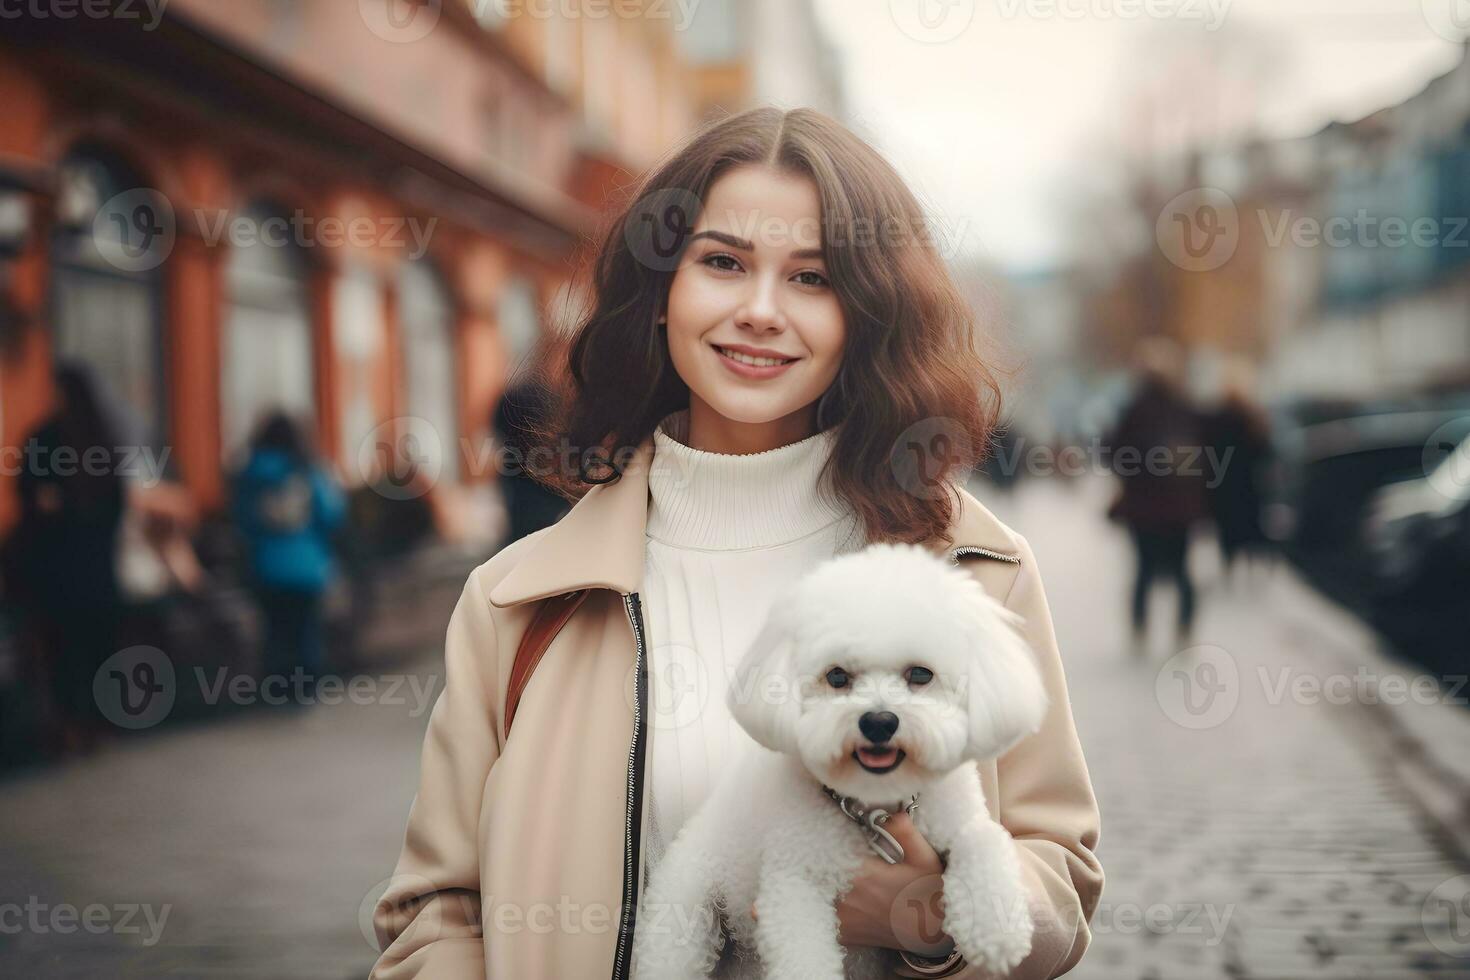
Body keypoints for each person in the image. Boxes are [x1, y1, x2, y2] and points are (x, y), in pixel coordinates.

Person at [371, 107, 1103, 980]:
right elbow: (434, 912)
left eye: (812, 278)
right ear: (660, 293)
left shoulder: (978, 572)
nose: (760, 311)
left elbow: (1061, 880)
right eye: (722, 263)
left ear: (868, 314)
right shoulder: (519, 600)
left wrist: (923, 914)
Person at [12, 363, 126, 755]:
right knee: (92, 649)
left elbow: (29, 498)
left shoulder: (48, 438)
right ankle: (93, 724)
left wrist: (54, 511)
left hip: (60, 571)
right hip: (93, 571)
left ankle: (75, 725)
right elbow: (116, 506)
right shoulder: (103, 438)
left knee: (67, 652)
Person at [231, 412, 345, 700]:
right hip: (307, 566)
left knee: (275, 630)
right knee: (306, 631)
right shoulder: (307, 470)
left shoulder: (250, 474)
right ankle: (305, 690)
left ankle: (275, 689)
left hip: (266, 566)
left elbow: (243, 520)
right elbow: (330, 513)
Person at [1107, 339, 1208, 653]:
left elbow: (1111, 452)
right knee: (1182, 571)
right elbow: (1208, 459)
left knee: (1143, 570)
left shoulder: (1134, 411)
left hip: (1143, 507)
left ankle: (1139, 632)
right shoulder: (1187, 409)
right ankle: (1184, 630)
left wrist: (1134, 473)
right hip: (1180, 507)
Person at [1204, 370, 1273, 577]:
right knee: (1250, 529)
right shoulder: (1253, 418)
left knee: (1227, 532)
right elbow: (1265, 452)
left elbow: (1208, 453)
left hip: (1224, 484)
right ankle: (1250, 568)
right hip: (1248, 483)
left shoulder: (1216, 419)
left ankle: (1229, 567)